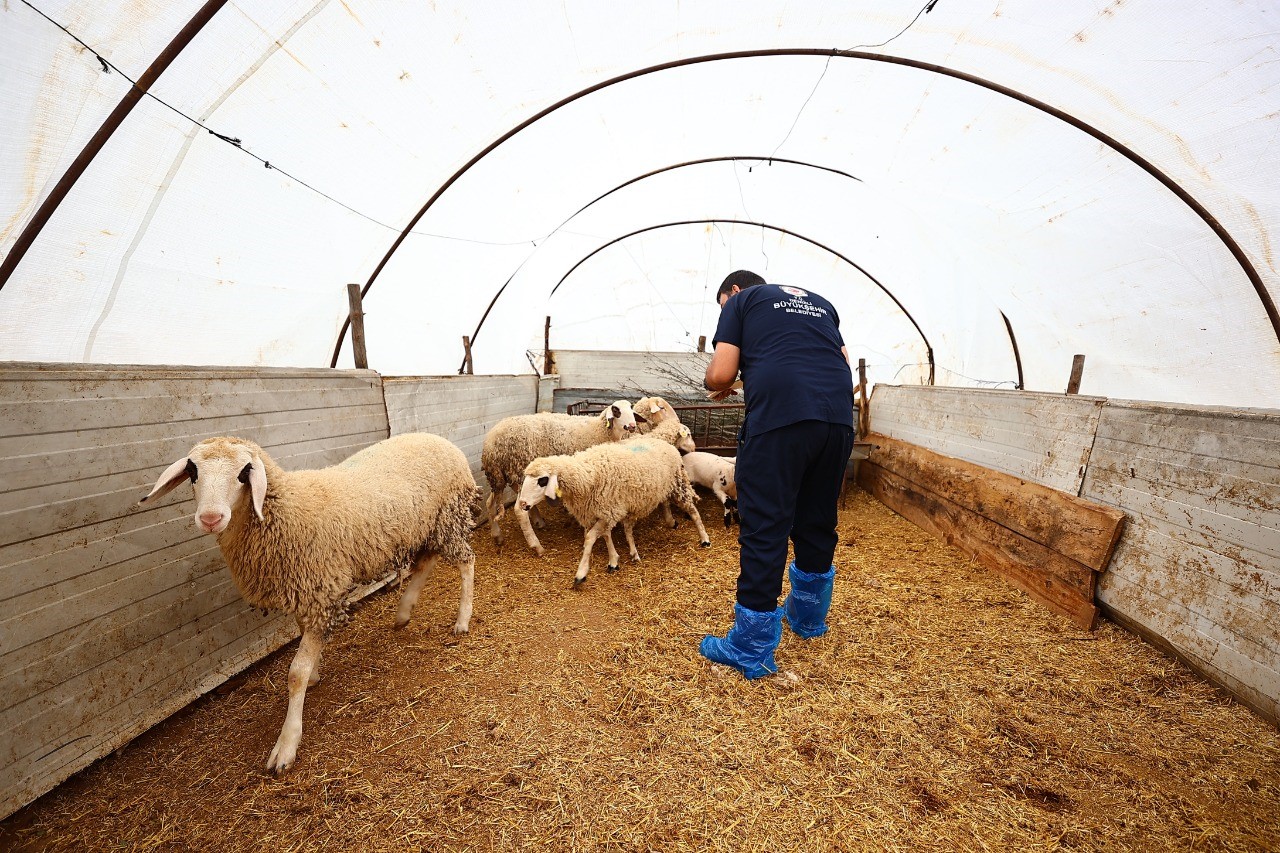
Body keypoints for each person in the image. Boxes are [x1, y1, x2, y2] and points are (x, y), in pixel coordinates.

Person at [699, 269, 856, 679]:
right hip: (837, 420)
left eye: (722, 304)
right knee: (817, 516)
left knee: (765, 524)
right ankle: (808, 619)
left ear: (733, 291)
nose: (724, 309)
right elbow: (841, 363)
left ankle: (749, 647)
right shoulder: (820, 303)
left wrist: (719, 379)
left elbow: (720, 374)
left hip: (780, 420)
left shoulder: (739, 302)